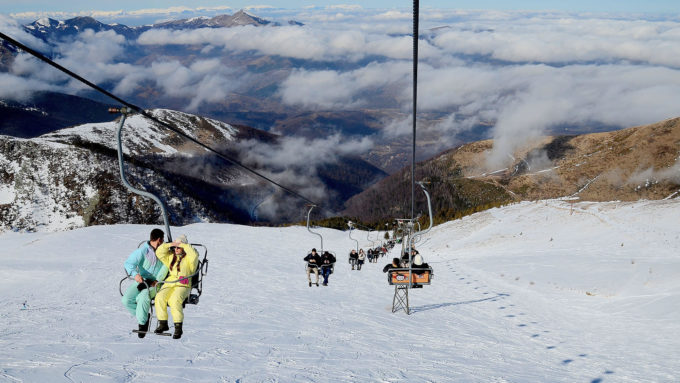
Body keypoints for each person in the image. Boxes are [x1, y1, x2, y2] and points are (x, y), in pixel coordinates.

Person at [122, 228, 168, 338]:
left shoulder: (164, 252)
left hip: (156, 283)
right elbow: (128, 263)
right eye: (162, 240)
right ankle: (143, 316)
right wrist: (135, 274)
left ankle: (142, 324)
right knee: (126, 300)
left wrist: (158, 280)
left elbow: (166, 266)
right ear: (159, 240)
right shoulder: (143, 251)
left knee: (143, 297)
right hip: (142, 280)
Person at [154, 234, 199, 339]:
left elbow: (194, 254)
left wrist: (184, 244)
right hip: (170, 282)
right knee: (159, 297)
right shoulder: (170, 257)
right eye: (175, 247)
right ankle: (163, 323)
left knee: (174, 300)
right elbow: (159, 252)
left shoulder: (190, 259)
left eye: (179, 247)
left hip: (183, 283)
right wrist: (170, 244)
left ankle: (178, 327)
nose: (176, 249)